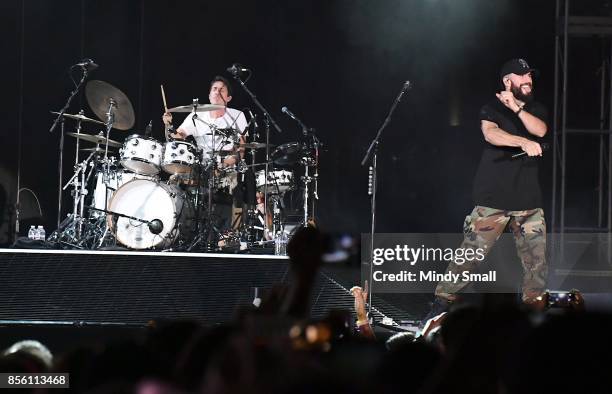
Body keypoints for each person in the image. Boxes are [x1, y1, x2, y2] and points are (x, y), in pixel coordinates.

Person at [431, 58, 549, 316]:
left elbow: (540, 131)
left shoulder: (535, 109)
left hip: (529, 201)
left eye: (530, 75)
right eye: (522, 76)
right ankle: (440, 306)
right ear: (508, 81)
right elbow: (490, 134)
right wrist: (521, 142)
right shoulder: (491, 108)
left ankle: (534, 313)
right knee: (470, 256)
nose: (528, 80)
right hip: (493, 197)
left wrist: (518, 110)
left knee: (536, 263)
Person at [162, 76, 249, 232]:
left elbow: (241, 150)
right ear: (209, 95)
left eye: (222, 89)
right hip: (201, 166)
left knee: (236, 184)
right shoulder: (197, 114)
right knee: (173, 180)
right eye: (214, 89)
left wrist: (223, 165)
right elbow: (178, 136)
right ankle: (175, 228)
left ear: (228, 97)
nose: (217, 91)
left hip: (226, 166)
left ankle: (233, 233)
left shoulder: (237, 115)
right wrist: (168, 125)